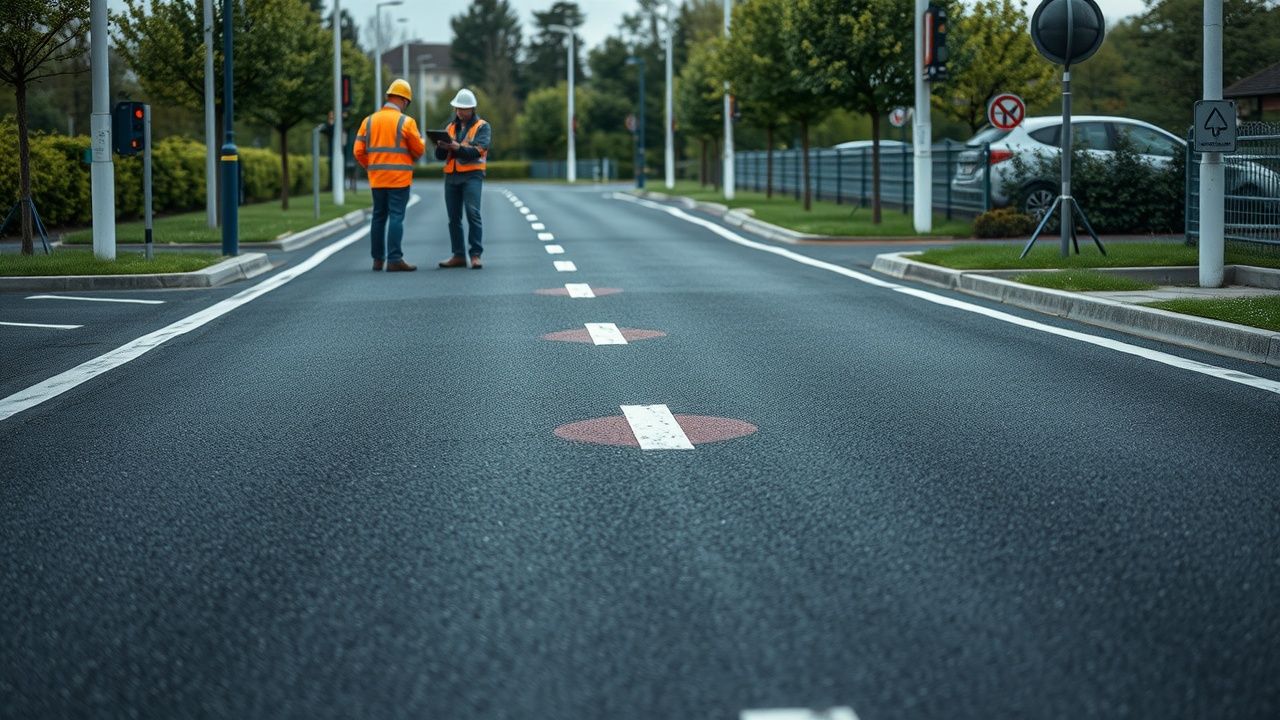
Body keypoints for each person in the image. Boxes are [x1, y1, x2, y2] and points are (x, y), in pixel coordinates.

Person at [354, 78, 425, 271]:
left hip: (377, 179)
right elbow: (418, 151)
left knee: (378, 217)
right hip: (399, 179)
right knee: (396, 216)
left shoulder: (368, 121)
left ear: (389, 97)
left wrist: (371, 166)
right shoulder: (406, 122)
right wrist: (421, 142)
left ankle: (378, 260)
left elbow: (358, 151)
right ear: (404, 100)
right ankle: (394, 259)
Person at [434, 88, 491, 269]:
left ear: (472, 109)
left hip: (472, 175)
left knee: (473, 213)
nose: (459, 112)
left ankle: (475, 255)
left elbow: (477, 151)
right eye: (457, 108)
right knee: (453, 217)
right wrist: (441, 146)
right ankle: (458, 255)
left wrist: (455, 147)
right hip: (451, 175)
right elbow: (440, 156)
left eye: (463, 108)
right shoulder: (450, 127)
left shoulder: (482, 126)